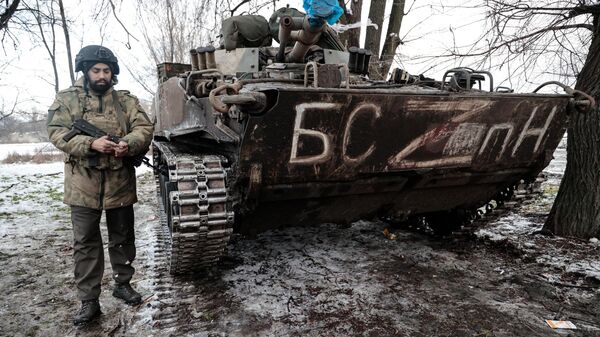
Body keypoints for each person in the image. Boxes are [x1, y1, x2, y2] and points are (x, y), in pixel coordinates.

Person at [47, 45, 154, 325]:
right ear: (85, 70)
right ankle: (89, 300)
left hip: (119, 181)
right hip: (83, 184)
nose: (102, 75)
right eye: (96, 70)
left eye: (106, 70)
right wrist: (90, 143)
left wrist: (127, 145)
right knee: (85, 243)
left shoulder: (126, 101)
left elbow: (144, 128)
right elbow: (57, 132)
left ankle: (123, 284)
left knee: (122, 237)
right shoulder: (67, 99)